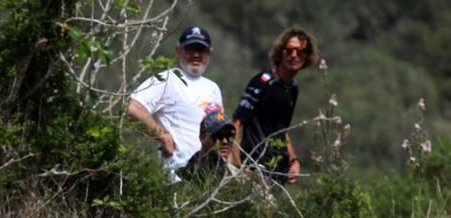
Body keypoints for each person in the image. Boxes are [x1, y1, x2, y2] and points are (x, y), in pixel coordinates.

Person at [127, 26, 223, 180]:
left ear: (209, 53)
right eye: (190, 49)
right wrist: (163, 135)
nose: (196, 55)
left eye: (201, 50)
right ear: (178, 50)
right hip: (175, 177)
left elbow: (218, 132)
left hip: (207, 179)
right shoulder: (166, 80)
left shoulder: (213, 88)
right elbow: (133, 108)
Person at [231, 26, 319, 185]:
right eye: (289, 50)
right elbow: (236, 122)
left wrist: (294, 162)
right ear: (280, 52)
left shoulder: (293, 88)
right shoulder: (263, 81)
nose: (294, 55)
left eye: (301, 52)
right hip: (255, 167)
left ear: (307, 57)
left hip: (279, 171)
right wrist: (236, 168)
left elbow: (283, 130)